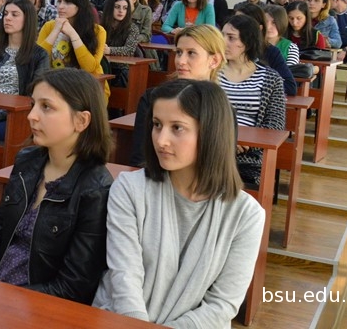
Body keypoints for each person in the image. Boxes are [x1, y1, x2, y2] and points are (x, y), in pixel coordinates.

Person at [94, 79, 265, 326]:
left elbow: (222, 305)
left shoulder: (247, 215)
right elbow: (124, 278)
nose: (161, 140)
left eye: (177, 128)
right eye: (157, 125)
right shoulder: (129, 189)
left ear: (211, 133)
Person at [0, 68, 112, 303]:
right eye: (33, 104)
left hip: (39, 307)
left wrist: (10, 299)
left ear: (81, 120)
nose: (31, 116)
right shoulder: (27, 161)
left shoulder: (95, 189)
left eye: (46, 107)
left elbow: (74, 286)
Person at [130, 24, 225, 167]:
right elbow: (140, 158)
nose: (181, 61)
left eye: (191, 53)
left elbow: (219, 164)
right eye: (179, 52)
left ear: (214, 60)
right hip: (154, 176)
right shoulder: (153, 98)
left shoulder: (221, 107)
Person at [220, 15, 286, 187]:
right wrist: (226, 140)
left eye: (231, 37)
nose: (223, 42)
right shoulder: (211, 72)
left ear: (247, 43)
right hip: (212, 147)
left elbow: (275, 125)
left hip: (248, 156)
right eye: (222, 35)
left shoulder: (270, 78)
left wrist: (245, 142)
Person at [0, 0, 50, 142]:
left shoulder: (39, 55)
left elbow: (34, 95)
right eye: (5, 14)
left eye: (14, 15)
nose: (8, 18)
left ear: (27, 20)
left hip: (17, 114)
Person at [38, 0, 108, 98]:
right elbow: (37, 59)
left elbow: (90, 68)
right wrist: (55, 31)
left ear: (80, 6)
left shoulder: (97, 31)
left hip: (88, 88)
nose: (61, 6)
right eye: (59, 1)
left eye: (67, 2)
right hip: (55, 85)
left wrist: (72, 34)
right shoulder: (49, 27)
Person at [234, 4, 297, 97]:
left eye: (241, 24)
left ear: (258, 28)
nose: (234, 27)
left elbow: (290, 86)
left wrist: (254, 86)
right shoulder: (226, 49)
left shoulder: (271, 52)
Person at [102, 0, 142, 87]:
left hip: (121, 69)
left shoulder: (132, 28)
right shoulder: (101, 26)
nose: (121, 11)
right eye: (117, 7)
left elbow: (129, 50)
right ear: (109, 8)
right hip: (103, 66)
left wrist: (109, 50)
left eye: (125, 8)